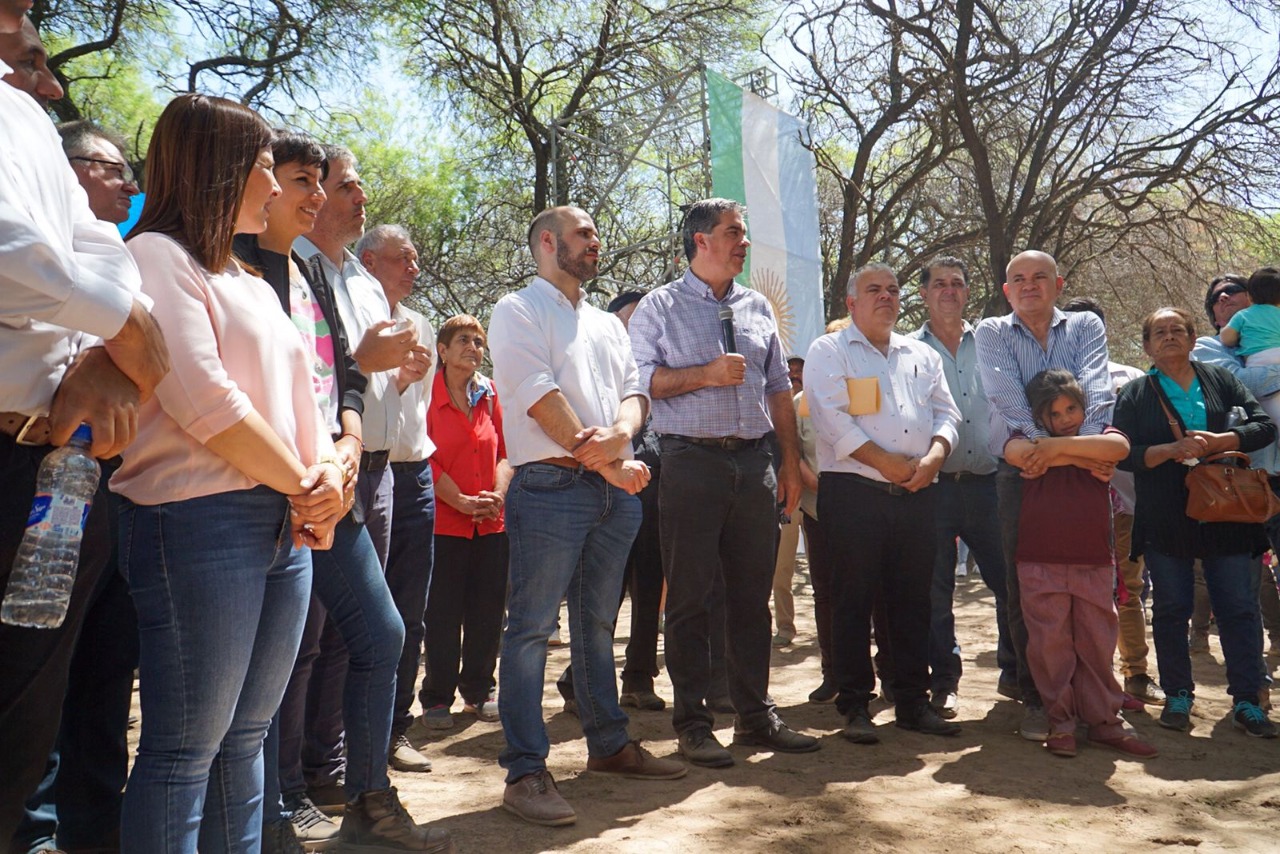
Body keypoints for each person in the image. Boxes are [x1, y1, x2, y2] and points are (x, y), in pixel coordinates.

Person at [112, 93, 343, 850]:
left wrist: (325, 483)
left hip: (282, 521)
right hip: (197, 520)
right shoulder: (154, 258)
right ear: (218, 169)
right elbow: (202, 399)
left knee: (244, 740)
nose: (277, 190)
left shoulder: (246, 279)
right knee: (184, 750)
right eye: (265, 170)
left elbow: (303, 396)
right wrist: (304, 484)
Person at [233, 136, 447, 851]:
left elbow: (337, 382)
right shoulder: (230, 268)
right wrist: (310, 469)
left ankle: (365, 800)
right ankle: (270, 813)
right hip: (257, 494)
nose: (320, 196)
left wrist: (348, 446)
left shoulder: (313, 278)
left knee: (377, 635)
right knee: (274, 659)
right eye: (301, 180)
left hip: (332, 486)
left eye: (325, 184)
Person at [0, 3, 168, 839]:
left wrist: (102, 342)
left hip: (57, 470)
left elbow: (101, 253)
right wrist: (124, 326)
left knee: (46, 702)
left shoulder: (26, 122)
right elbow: (9, 254)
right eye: (28, 47)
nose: (48, 78)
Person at [490, 205, 685, 827]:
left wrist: (621, 438)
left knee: (598, 626)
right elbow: (538, 397)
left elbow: (636, 392)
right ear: (548, 243)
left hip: (612, 491)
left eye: (597, 231)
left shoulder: (606, 322)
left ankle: (609, 746)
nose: (596, 242)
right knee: (530, 631)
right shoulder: (516, 309)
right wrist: (608, 464)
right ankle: (525, 773)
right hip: (551, 486)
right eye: (584, 234)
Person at [627, 198, 816, 768]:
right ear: (700, 240)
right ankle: (692, 723)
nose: (744, 243)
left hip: (755, 464)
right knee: (687, 598)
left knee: (750, 598)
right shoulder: (658, 307)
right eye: (734, 232)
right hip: (689, 463)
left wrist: (787, 462)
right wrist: (705, 375)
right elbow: (641, 383)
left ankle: (755, 717)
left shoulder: (757, 306)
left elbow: (779, 387)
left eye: (745, 232)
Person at [16, 118, 144, 853]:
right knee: (34, 685)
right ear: (64, 168)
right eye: (113, 168)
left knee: (102, 679)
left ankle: (97, 834)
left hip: (112, 502)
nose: (129, 185)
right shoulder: (37, 244)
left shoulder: (125, 263)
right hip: (33, 483)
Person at [293, 145, 417, 812]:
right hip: (316, 475)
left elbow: (365, 377)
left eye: (349, 188)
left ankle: (330, 766)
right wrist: (366, 364)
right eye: (344, 188)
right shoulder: (291, 268)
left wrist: (398, 371)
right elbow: (324, 374)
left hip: (377, 470)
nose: (354, 200)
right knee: (305, 638)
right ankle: (287, 788)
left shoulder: (365, 282)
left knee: (355, 634)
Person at [804, 263, 962, 744]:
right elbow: (833, 422)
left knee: (913, 600)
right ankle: (854, 705)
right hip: (854, 494)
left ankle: (913, 701)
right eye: (874, 290)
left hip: (917, 493)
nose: (886, 297)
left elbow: (947, 412)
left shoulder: (920, 353)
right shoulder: (828, 351)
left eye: (893, 290)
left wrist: (935, 457)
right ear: (851, 303)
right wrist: (886, 464)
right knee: (852, 600)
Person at [1113, 307, 1277, 738]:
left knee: (1239, 609)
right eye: (1159, 332)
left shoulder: (1221, 380)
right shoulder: (1134, 394)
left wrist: (1223, 440)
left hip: (1228, 514)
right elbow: (1124, 454)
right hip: (1166, 517)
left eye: (1177, 330)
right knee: (1170, 610)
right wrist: (1169, 450)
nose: (1169, 337)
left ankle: (1247, 700)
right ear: (1147, 345)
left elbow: (1263, 427)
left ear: (1192, 338)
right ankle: (1178, 696)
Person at [975, 249, 1112, 743]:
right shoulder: (991, 332)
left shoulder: (1084, 327)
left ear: (1058, 282)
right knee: (1026, 586)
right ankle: (1038, 698)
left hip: (1081, 468)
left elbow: (1097, 388)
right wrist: (1061, 450)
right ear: (1007, 290)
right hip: (1023, 473)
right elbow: (1008, 398)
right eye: (1018, 279)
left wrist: (1066, 450)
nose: (1029, 285)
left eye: (1039, 277)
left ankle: (1095, 703)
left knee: (1093, 587)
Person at [1004, 370, 1156, 759]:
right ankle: (1061, 723)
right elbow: (1016, 455)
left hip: (1092, 558)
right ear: (1040, 418)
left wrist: (1056, 453)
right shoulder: (1022, 440)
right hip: (1039, 559)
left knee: (1097, 642)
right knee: (1049, 646)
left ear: (1083, 407)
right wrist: (1083, 455)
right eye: (1055, 414)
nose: (1066, 418)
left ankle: (1105, 722)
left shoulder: (1102, 433)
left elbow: (1118, 449)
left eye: (1072, 408)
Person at [908, 256, 1015, 720]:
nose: (948, 290)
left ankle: (1016, 672)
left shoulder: (995, 343)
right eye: (938, 284)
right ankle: (944, 683)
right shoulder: (907, 349)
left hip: (992, 484)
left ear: (968, 292)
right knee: (935, 590)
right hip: (933, 487)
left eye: (957, 283)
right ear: (924, 294)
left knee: (1010, 581)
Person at [356, 224, 441, 774]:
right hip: (365, 473)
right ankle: (346, 738)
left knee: (410, 613)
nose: (414, 268)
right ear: (368, 261)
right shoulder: (355, 321)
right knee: (367, 615)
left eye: (415, 258)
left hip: (415, 479)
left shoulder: (423, 326)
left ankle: (395, 729)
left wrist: (407, 382)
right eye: (401, 258)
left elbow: (411, 413)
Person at [1061, 296, 1165, 706]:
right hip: (1063, 506)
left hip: (1122, 505)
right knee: (1066, 593)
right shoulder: (1050, 383)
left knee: (1127, 590)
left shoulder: (1131, 379)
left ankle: (1136, 674)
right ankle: (1073, 680)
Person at [418, 314, 510, 728]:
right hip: (444, 523)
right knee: (442, 612)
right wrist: (460, 499)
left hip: (491, 522)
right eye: (463, 340)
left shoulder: (490, 394)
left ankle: (479, 690)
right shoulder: (425, 395)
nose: (473, 347)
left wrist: (497, 494)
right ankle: (437, 698)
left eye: (478, 341)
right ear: (442, 350)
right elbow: (424, 457)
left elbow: (506, 452)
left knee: (488, 611)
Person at [1192, 274, 1280, 661]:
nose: (1225, 296)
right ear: (1213, 314)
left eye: (1234, 290)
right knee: (1243, 582)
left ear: (1256, 299)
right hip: (1243, 480)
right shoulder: (1206, 347)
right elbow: (1236, 383)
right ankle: (1250, 682)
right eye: (1216, 297)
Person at [771, 354, 808, 648]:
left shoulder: (817, 402)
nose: (795, 375)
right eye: (790, 371)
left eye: (800, 371)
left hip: (822, 494)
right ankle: (785, 626)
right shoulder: (773, 408)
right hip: (789, 497)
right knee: (782, 566)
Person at [1218, 267, 1280, 425]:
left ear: (1249, 296)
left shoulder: (1243, 315)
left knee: (1271, 411)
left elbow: (1226, 338)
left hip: (1258, 362)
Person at [58, 120, 140, 226]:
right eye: (117, 171)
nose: (133, 189)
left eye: (128, 176)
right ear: (66, 166)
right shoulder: (34, 234)